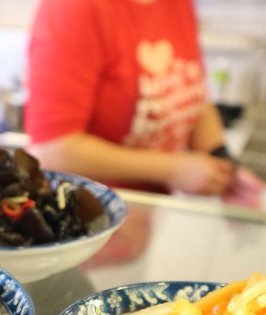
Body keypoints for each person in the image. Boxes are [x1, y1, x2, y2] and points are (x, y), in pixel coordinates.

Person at [24, 0, 263, 208]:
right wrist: (173, 169)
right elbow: (53, 150)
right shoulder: (73, 8)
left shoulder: (176, 3)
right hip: (88, 222)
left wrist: (224, 163)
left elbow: (191, 94)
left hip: (144, 222)